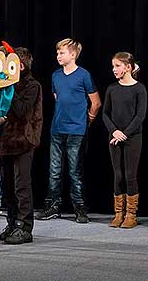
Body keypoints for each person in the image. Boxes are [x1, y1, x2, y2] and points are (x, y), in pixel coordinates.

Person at [36, 38, 101, 223]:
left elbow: (95, 102)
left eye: (62, 53)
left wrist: (88, 119)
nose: (58, 56)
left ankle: (79, 207)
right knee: (54, 171)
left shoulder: (83, 75)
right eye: (57, 53)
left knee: (75, 171)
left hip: (77, 131)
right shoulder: (56, 75)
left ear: (73, 55)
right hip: (57, 129)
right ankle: (52, 206)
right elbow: (58, 98)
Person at [0, 47, 43, 244]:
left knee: (21, 184)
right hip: (5, 141)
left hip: (23, 140)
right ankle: (12, 221)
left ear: (19, 66)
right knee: (7, 186)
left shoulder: (32, 86)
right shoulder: (3, 85)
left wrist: (9, 87)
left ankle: (24, 226)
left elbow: (21, 110)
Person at [103, 52, 146, 229]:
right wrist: (114, 131)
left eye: (118, 66)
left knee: (130, 174)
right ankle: (118, 213)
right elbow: (105, 113)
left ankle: (131, 215)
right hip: (114, 137)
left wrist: (124, 133)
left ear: (128, 67)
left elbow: (140, 115)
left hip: (133, 137)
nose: (114, 69)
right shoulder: (112, 88)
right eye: (113, 66)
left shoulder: (139, 88)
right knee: (117, 174)